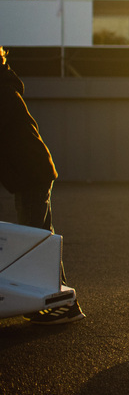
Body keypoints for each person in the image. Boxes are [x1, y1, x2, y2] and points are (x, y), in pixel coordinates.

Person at [0, 46, 85, 324]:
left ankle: (61, 303)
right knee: (39, 235)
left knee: (36, 238)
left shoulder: (2, 91)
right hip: (33, 169)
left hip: (32, 172)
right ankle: (60, 298)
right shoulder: (5, 85)